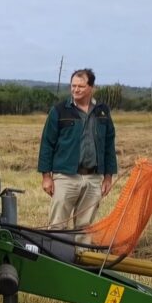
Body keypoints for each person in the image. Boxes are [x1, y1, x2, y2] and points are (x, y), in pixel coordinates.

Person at [37, 68, 117, 230]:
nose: (75, 89)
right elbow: (47, 143)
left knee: (85, 227)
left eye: (80, 86)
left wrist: (108, 177)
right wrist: (46, 176)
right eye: (73, 86)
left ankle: (80, 254)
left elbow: (109, 144)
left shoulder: (102, 111)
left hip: (93, 178)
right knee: (58, 225)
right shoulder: (59, 111)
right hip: (66, 177)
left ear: (92, 87)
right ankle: (56, 255)